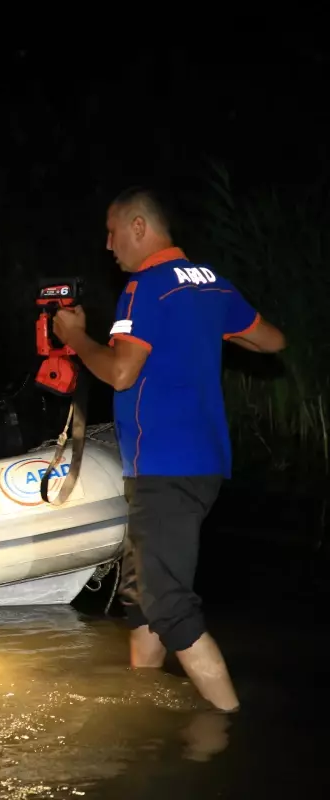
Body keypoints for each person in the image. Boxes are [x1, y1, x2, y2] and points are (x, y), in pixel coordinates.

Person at [52, 186, 286, 713]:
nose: (108, 245)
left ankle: (230, 725)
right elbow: (271, 340)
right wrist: (208, 333)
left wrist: (75, 338)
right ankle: (143, 705)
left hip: (165, 468)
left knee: (169, 604)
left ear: (140, 227)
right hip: (203, 465)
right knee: (141, 600)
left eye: (112, 232)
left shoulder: (144, 289)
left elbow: (119, 371)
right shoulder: (211, 284)